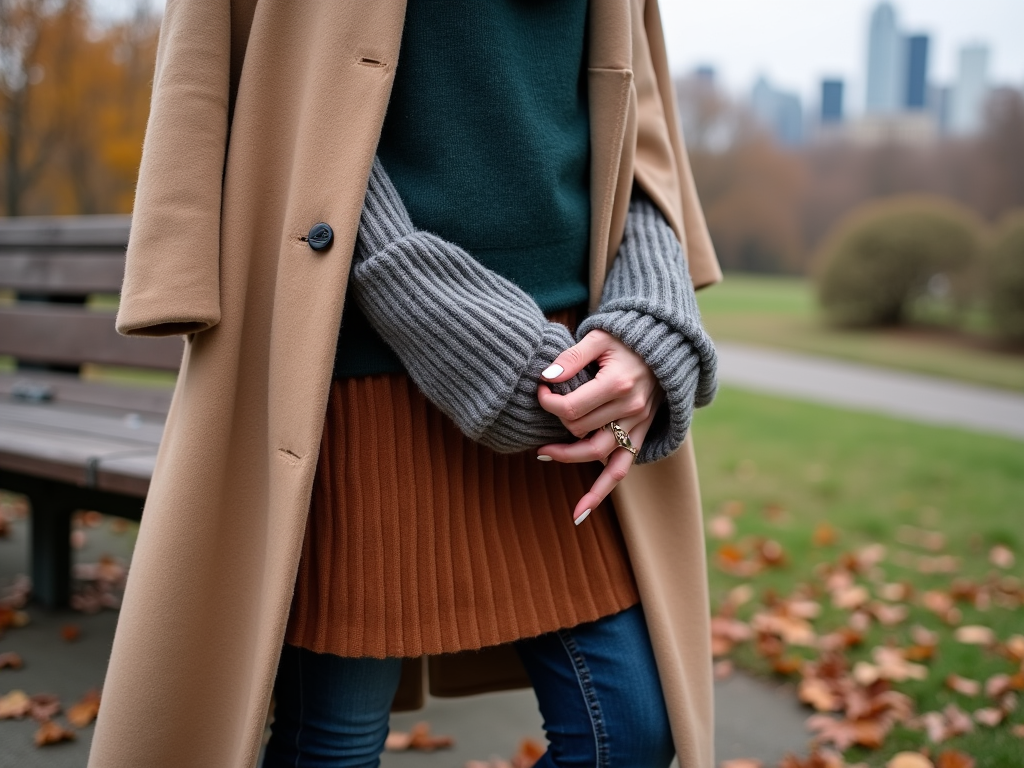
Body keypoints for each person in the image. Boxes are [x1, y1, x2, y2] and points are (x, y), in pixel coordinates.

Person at [89, 1, 724, 767]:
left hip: (566, 372)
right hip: (350, 345)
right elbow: (248, 62)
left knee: (627, 736)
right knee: (337, 744)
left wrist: (651, 314)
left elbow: (637, 113)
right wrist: (431, 306)